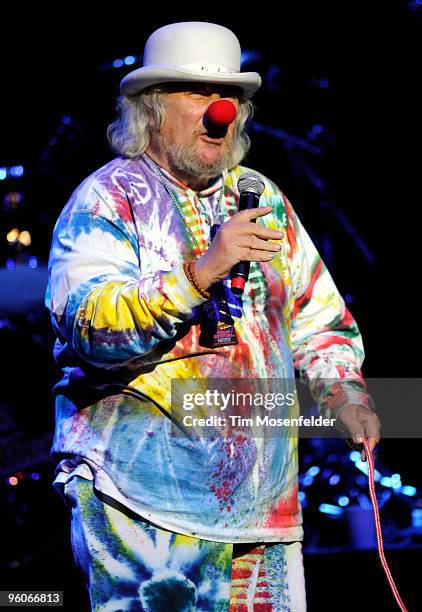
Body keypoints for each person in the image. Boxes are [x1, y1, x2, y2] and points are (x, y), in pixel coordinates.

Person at [45, 21, 380, 611]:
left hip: (261, 504)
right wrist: (202, 270)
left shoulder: (263, 196)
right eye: (198, 94)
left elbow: (318, 316)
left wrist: (343, 392)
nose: (219, 111)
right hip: (141, 501)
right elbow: (91, 328)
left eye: (230, 97)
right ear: (151, 109)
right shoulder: (107, 198)